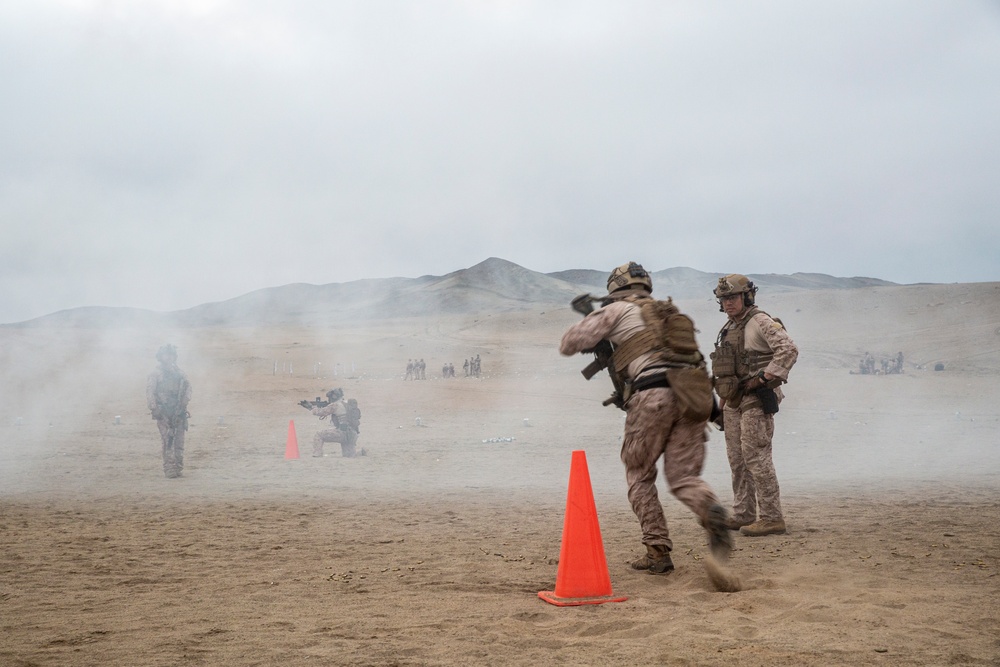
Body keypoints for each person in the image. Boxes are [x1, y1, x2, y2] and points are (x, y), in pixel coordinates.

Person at [559, 262, 733, 580]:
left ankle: (657, 552)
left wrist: (597, 321)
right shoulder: (669, 313)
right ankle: (710, 509)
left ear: (615, 289)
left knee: (639, 473)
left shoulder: (618, 311)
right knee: (683, 478)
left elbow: (569, 343)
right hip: (694, 397)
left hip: (652, 395)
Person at [710, 274, 798, 537]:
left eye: (732, 297)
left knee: (756, 458)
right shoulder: (729, 328)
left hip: (757, 400)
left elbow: (789, 350)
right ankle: (744, 513)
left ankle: (772, 517)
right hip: (734, 401)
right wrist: (721, 406)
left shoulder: (760, 321)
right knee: (737, 460)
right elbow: (725, 372)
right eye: (723, 298)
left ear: (747, 296)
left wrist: (764, 377)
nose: (727, 303)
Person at [146, 344, 191, 479]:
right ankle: (169, 468)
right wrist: (155, 409)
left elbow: (188, 390)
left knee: (179, 441)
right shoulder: (155, 374)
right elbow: (150, 393)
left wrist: (183, 405)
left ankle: (178, 466)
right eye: (166, 354)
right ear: (160, 357)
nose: (169, 357)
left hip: (178, 412)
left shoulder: (180, 373)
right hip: (164, 412)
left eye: (171, 354)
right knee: (168, 440)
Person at [310, 388, 361, 458]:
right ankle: (362, 452)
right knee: (349, 456)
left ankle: (317, 455)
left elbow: (320, 412)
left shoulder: (335, 405)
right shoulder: (347, 404)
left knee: (318, 435)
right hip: (352, 434)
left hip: (342, 433)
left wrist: (312, 408)